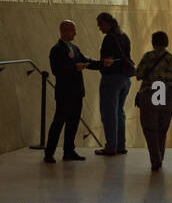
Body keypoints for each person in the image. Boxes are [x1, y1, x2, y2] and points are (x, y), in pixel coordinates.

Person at [86, 12, 133, 156]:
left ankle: (111, 147)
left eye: (100, 25)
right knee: (120, 112)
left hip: (112, 80)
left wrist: (88, 64)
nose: (99, 28)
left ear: (107, 23)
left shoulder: (109, 39)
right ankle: (120, 145)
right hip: (125, 79)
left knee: (109, 113)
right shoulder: (124, 36)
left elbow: (106, 63)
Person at [135, 31, 172, 171]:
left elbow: (139, 74)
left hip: (151, 94)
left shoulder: (148, 56)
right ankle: (160, 156)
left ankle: (155, 159)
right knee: (162, 129)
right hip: (167, 95)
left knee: (150, 129)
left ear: (153, 41)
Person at [43, 20, 89, 163]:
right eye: (72, 30)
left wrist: (101, 64)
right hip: (65, 93)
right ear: (64, 31)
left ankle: (69, 151)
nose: (75, 33)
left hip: (77, 92)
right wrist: (75, 68)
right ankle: (49, 153)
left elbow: (84, 60)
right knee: (58, 122)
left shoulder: (74, 48)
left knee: (73, 123)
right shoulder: (56, 49)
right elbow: (56, 70)